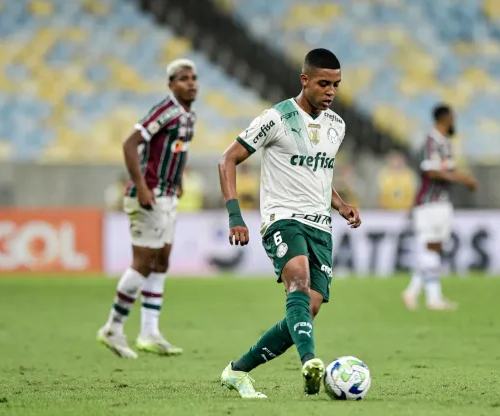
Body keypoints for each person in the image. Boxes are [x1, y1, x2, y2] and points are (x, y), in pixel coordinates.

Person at [217, 49, 361, 398]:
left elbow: (318, 175)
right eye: (324, 83)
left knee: (307, 311)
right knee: (297, 280)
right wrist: (235, 216)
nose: (331, 91)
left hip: (321, 227)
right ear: (305, 80)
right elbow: (228, 160)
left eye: (336, 85)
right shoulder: (276, 118)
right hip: (282, 218)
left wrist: (340, 205)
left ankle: (237, 371)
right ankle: (310, 363)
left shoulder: (336, 126)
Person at [96, 59, 198, 358]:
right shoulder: (165, 111)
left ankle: (149, 332)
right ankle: (113, 328)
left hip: (167, 196)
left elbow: (177, 151)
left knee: (162, 259)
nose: (190, 82)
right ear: (171, 85)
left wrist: (178, 180)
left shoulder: (189, 116)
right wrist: (140, 185)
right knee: (143, 261)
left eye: (193, 77)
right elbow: (130, 144)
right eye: (182, 78)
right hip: (149, 195)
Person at [401, 104, 478, 311]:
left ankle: (414, 292)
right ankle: (432, 298)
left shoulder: (445, 143)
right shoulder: (431, 141)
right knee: (429, 248)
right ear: (445, 119)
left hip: (441, 202)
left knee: (434, 249)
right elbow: (430, 171)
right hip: (428, 203)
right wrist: (463, 178)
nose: (455, 122)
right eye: (453, 118)